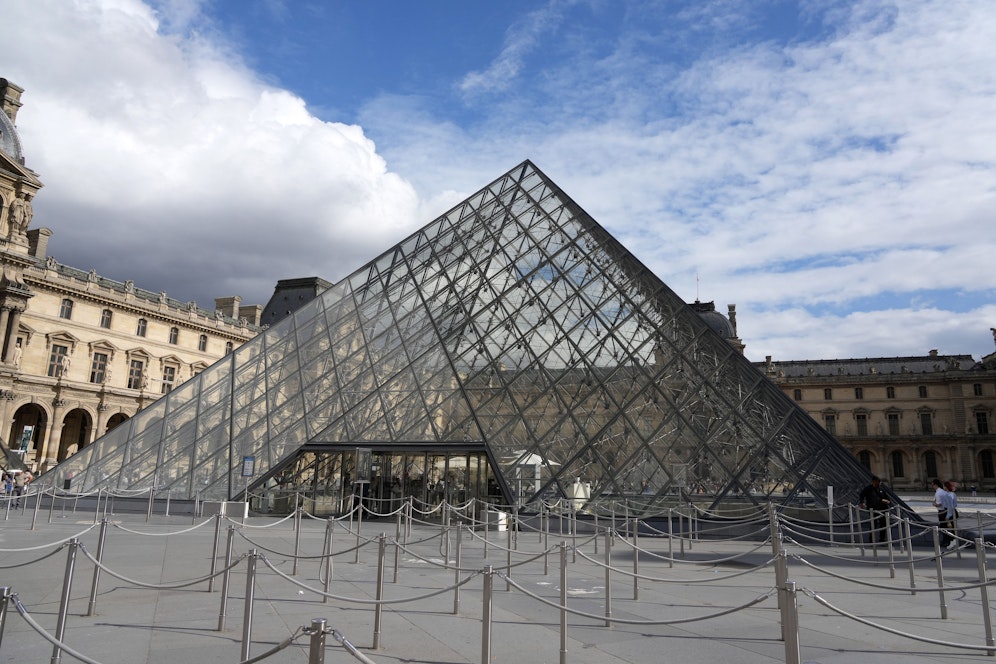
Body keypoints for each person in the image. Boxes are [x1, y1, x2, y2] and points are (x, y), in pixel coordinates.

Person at [859, 475, 891, 544]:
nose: (879, 483)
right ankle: (872, 539)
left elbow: (888, 499)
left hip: (882, 509)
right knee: (873, 525)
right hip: (872, 509)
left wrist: (886, 501)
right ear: (873, 482)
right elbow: (862, 495)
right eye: (878, 482)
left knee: (883, 524)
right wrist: (862, 502)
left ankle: (882, 539)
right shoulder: (868, 489)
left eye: (879, 482)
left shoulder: (881, 489)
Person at [932, 478, 951, 547]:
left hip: (942, 512)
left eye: (933, 485)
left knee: (943, 527)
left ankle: (945, 541)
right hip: (947, 511)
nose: (932, 487)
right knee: (947, 527)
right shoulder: (943, 491)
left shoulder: (938, 493)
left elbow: (939, 504)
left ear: (935, 485)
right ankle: (949, 540)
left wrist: (934, 504)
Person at [941, 480, 959, 550]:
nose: (943, 487)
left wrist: (947, 517)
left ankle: (952, 542)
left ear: (946, 487)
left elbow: (950, 506)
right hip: (954, 511)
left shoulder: (948, 495)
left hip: (949, 512)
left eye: (944, 486)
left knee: (949, 529)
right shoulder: (953, 494)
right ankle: (954, 542)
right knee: (953, 529)